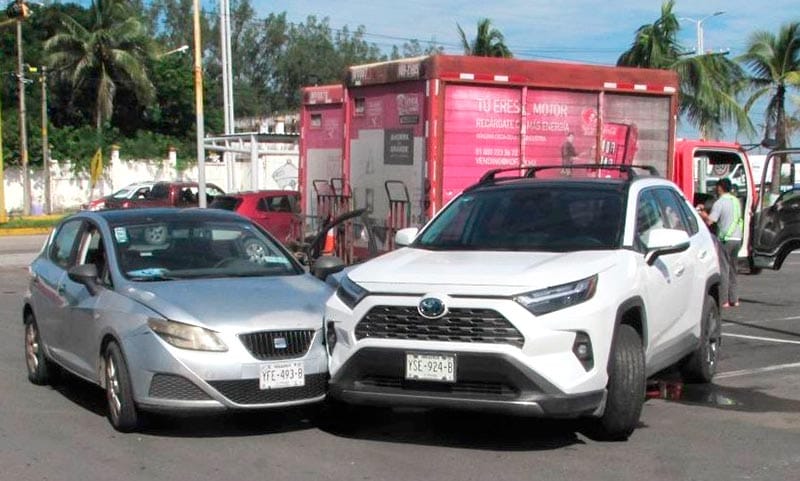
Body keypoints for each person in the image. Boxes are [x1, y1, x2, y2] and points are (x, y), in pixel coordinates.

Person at [697, 178, 743, 307]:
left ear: (720, 188)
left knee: (723, 269)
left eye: (717, 187)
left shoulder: (720, 202)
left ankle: (724, 300)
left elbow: (710, 221)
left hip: (725, 239)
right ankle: (734, 299)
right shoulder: (736, 201)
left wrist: (702, 213)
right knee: (733, 269)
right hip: (737, 238)